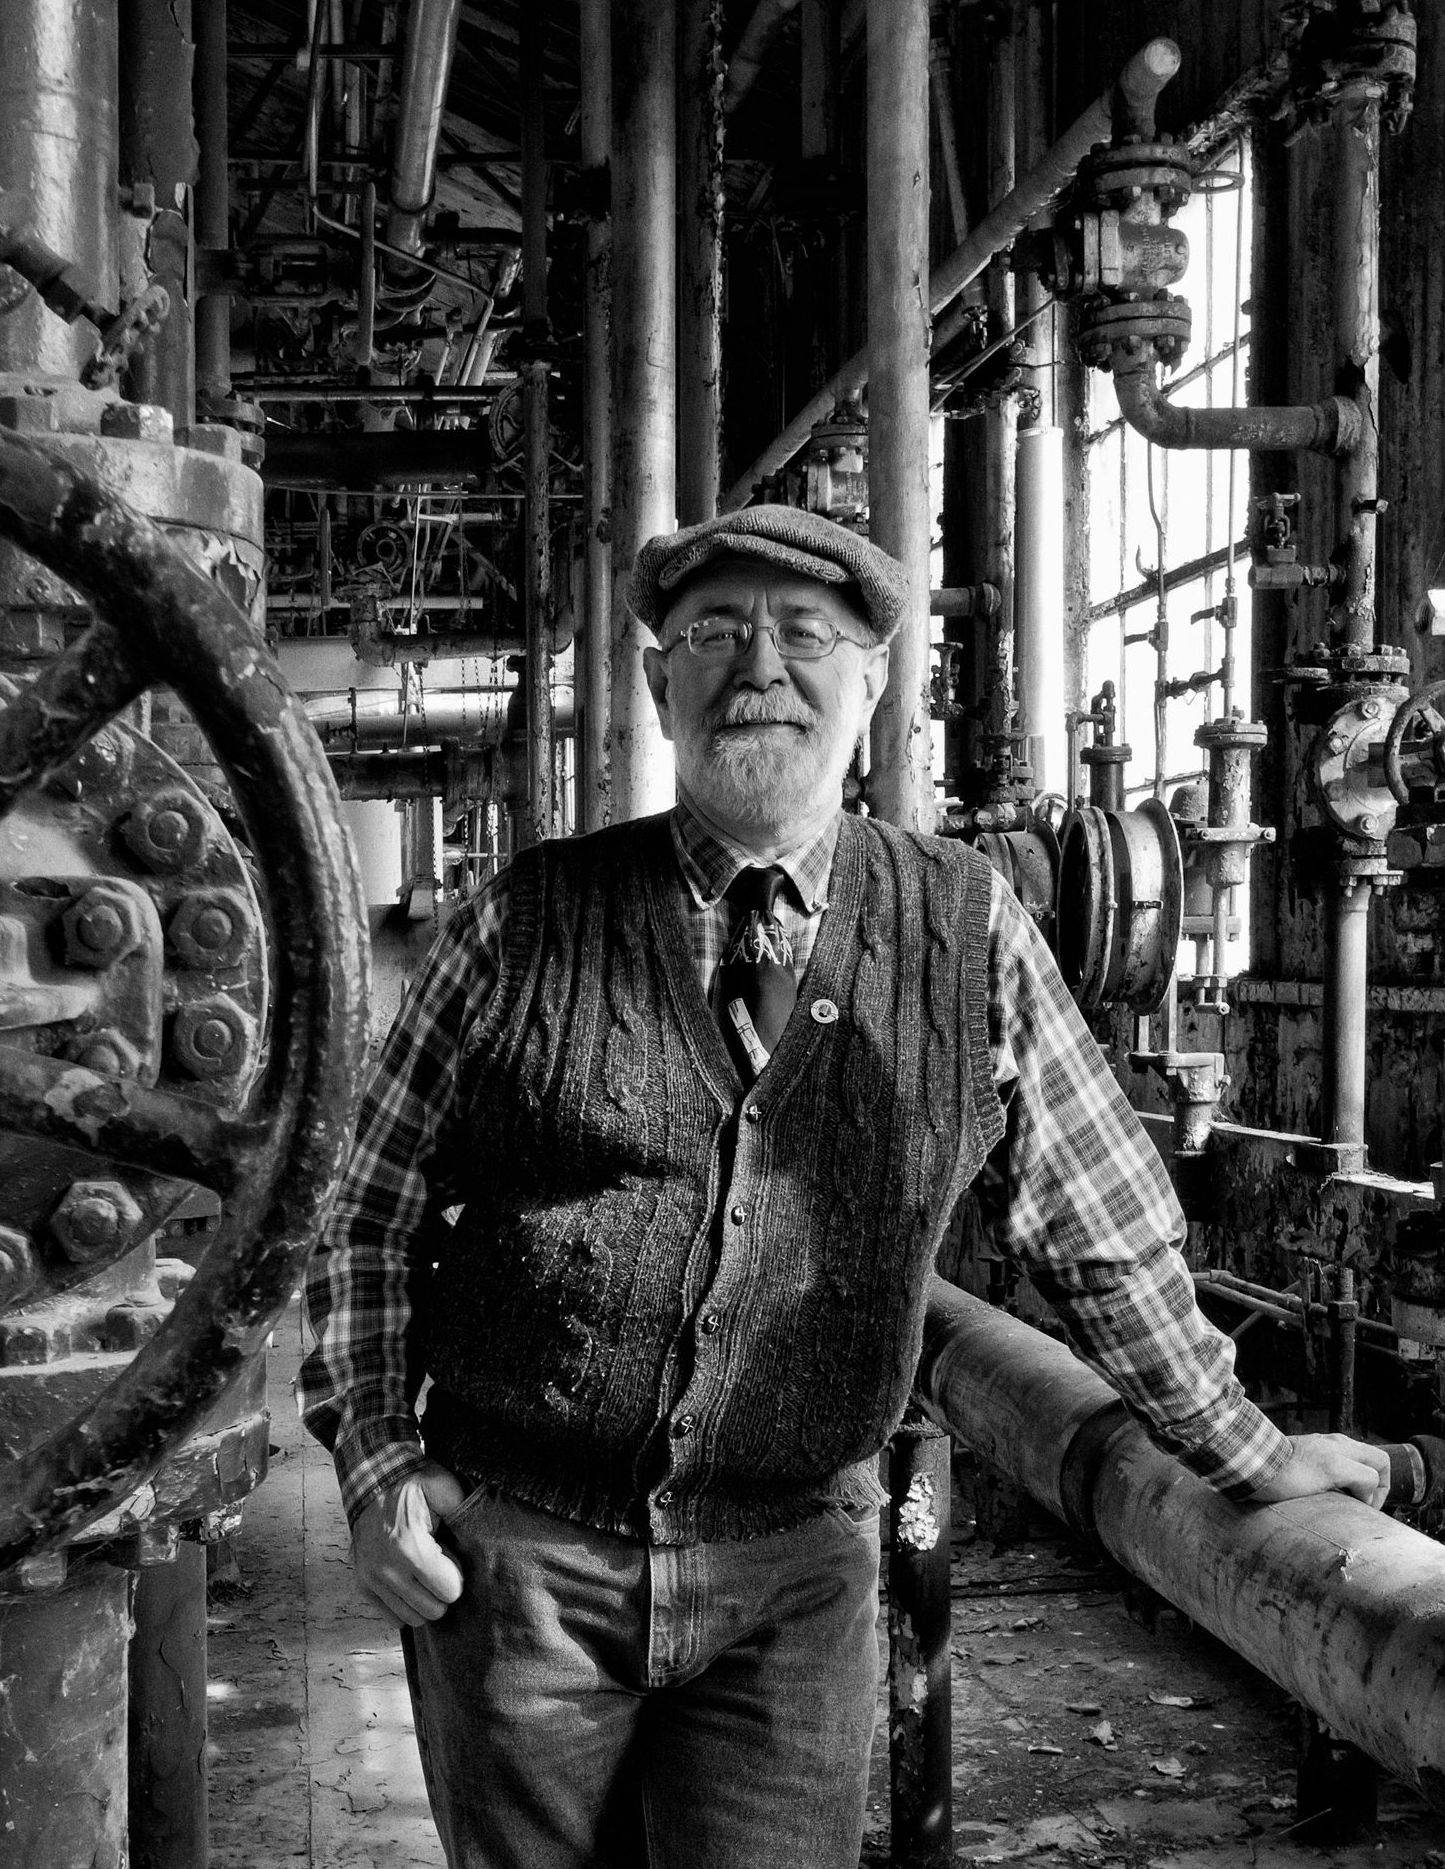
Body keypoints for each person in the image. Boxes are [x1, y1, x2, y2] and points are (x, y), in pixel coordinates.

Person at [298, 504, 1389, 1869]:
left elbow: (1098, 1228)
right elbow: (366, 1209)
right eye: (715, 632)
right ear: (661, 686)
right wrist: (376, 1461)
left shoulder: (967, 925)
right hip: (519, 1564)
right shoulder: (524, 918)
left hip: (796, 1573)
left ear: (872, 687)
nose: (760, 667)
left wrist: (1248, 1454)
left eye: (806, 635)